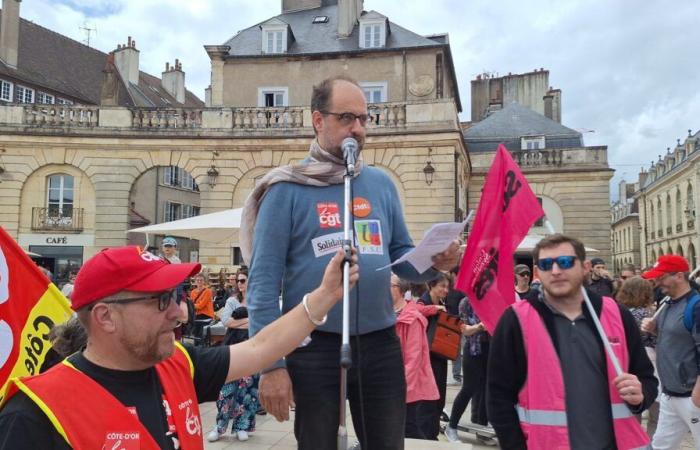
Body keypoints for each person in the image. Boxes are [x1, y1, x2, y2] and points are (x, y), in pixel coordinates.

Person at [243, 75, 460, 449]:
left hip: (380, 343)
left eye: (364, 118)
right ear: (318, 120)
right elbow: (262, 285)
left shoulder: (381, 184)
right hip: (313, 347)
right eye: (346, 118)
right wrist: (271, 364)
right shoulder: (285, 188)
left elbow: (401, 260)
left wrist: (436, 263)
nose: (357, 129)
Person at [0, 245, 358, 449]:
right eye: (160, 300)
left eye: (177, 295)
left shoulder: (177, 363)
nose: (180, 311)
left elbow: (261, 347)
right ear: (105, 317)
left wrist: (325, 296)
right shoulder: (33, 415)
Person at [488, 234, 657, 450]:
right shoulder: (516, 319)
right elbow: (497, 396)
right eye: (546, 264)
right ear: (538, 272)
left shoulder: (616, 314)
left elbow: (646, 378)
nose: (556, 270)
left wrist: (641, 393)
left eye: (566, 262)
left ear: (585, 267)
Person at [641, 255, 700, 449]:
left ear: (679, 276)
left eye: (662, 276)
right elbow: (678, 337)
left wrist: (698, 393)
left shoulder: (697, 306)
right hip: (670, 394)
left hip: (692, 396)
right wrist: (655, 330)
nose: (657, 282)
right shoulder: (667, 303)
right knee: (659, 446)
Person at [207, 270, 260, 443]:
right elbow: (226, 322)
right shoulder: (231, 300)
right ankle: (220, 427)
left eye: (243, 280)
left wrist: (241, 323)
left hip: (251, 348)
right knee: (226, 389)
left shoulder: (257, 300)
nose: (240, 283)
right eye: (238, 280)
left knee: (248, 390)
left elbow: (259, 322)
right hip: (232, 349)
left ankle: (242, 426)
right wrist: (247, 321)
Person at [391, 273, 444, 439]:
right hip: (389, 384)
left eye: (389, 285)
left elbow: (413, 359)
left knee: (410, 428)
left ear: (400, 290)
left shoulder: (412, 319)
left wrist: (400, 388)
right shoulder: (385, 314)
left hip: (405, 387)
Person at [445, 294, 496, 445]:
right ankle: (451, 426)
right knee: (468, 389)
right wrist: (480, 326)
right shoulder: (465, 303)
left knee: (486, 389)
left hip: (490, 349)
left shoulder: (491, 300)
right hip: (473, 351)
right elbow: (464, 329)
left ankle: (482, 430)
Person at [617, 276, 659, 434]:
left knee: (632, 408)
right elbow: (655, 339)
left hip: (625, 360)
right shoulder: (648, 314)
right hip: (649, 359)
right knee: (655, 408)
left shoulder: (619, 312)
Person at [417, 273, 450, 440]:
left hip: (440, 355)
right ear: (431, 286)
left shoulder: (444, 303)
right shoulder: (423, 301)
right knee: (427, 397)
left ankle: (433, 431)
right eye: (441, 286)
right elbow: (417, 310)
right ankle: (425, 434)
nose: (445, 290)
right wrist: (435, 309)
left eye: (447, 286)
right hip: (426, 357)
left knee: (439, 396)